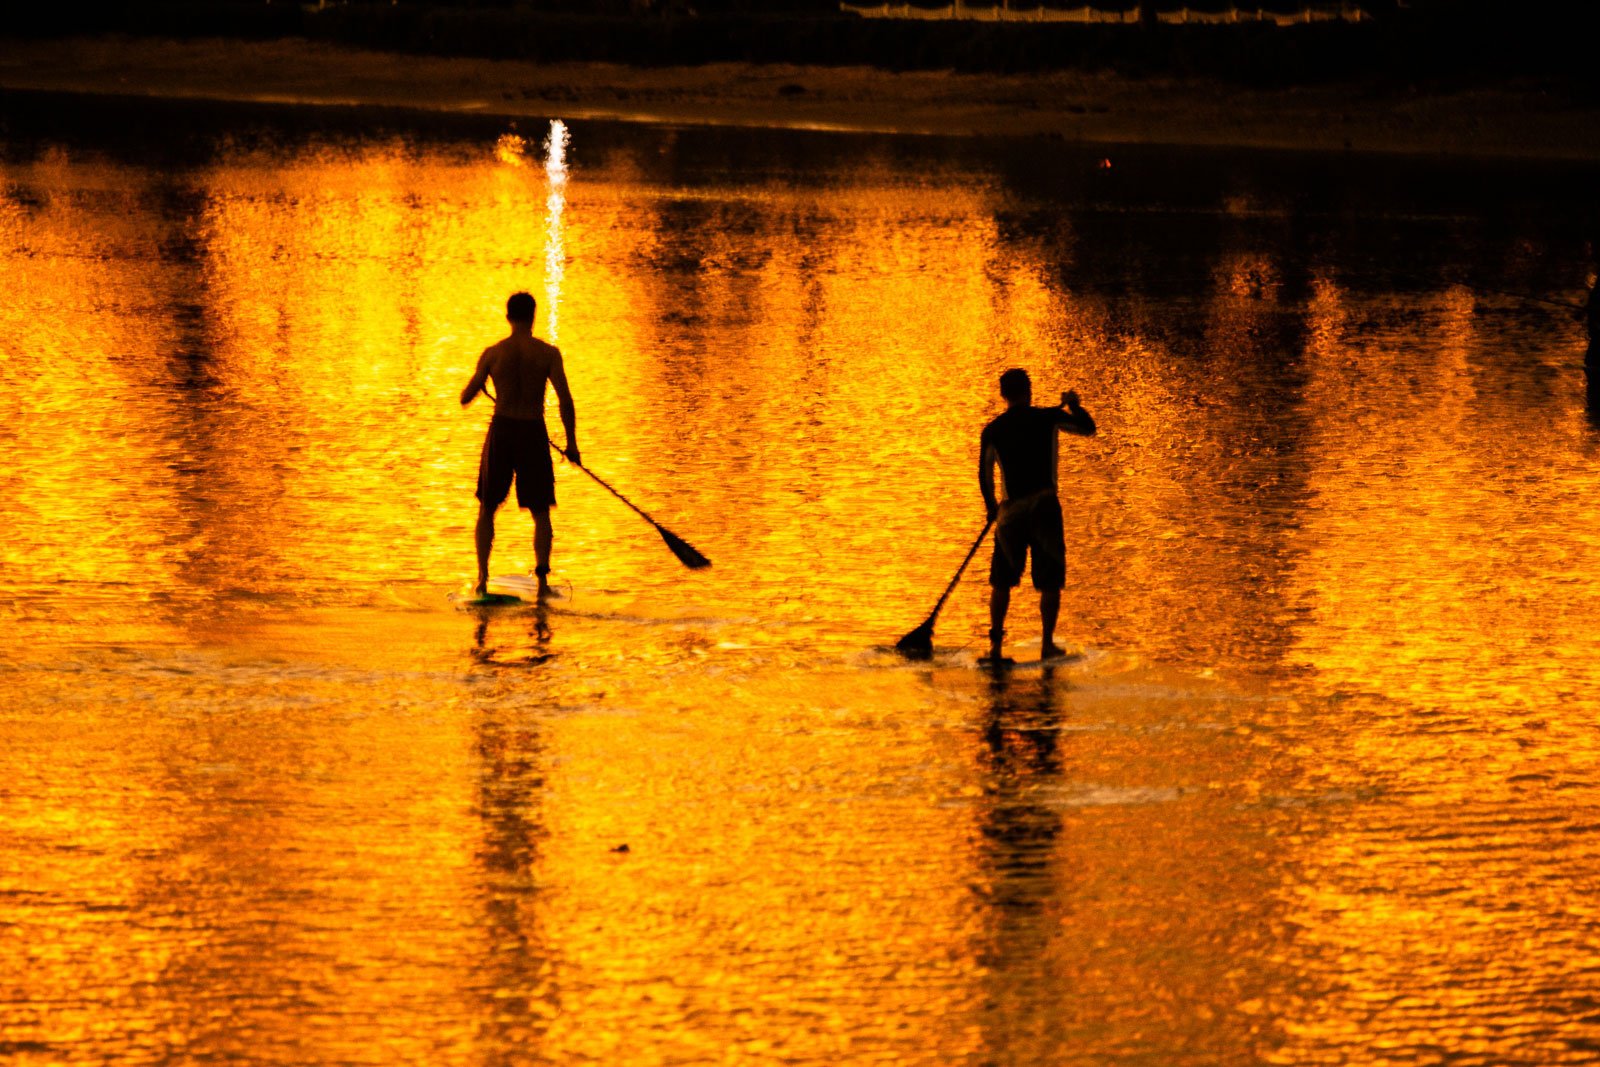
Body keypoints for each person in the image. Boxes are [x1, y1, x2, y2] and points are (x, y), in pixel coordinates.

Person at [460, 292, 578, 598]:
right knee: (541, 511)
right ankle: (541, 583)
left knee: (487, 507)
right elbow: (565, 399)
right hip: (532, 433)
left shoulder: (493, 353)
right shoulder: (548, 354)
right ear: (533, 316)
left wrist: (482, 382)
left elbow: (465, 397)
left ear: (508, 316)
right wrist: (572, 444)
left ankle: (482, 580)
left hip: (502, 432)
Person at [979, 368, 1096, 664]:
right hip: (1044, 509)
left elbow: (984, 474)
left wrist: (991, 506)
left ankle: (995, 648)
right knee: (1050, 580)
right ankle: (1047, 644)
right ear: (1029, 391)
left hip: (1010, 514)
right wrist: (1074, 405)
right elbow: (1087, 428)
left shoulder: (993, 430)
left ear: (1003, 395)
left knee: (1001, 580)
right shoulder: (1048, 418)